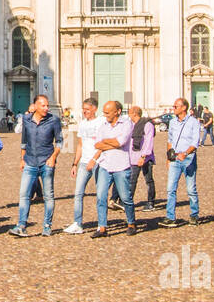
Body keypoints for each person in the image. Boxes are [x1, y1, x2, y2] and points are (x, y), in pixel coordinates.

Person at [12, 94, 62, 237]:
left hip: (46, 162)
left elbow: (59, 142)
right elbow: (24, 141)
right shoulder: (26, 120)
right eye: (43, 105)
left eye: (47, 105)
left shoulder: (54, 120)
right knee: (24, 195)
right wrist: (22, 159)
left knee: (48, 196)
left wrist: (53, 158)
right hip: (30, 161)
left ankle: (47, 226)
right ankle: (21, 225)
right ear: (35, 106)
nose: (46, 108)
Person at [87, 100, 137, 237]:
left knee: (126, 197)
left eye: (107, 112)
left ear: (118, 112)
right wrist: (113, 142)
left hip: (121, 165)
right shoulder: (103, 125)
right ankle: (102, 227)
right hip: (104, 165)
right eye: (104, 112)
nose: (105, 115)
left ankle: (131, 223)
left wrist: (108, 142)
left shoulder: (126, 124)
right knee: (101, 197)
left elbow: (121, 142)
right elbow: (97, 144)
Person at [161, 98, 203, 228]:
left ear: (183, 108)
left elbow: (195, 142)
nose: (173, 108)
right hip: (175, 159)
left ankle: (194, 215)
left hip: (188, 159)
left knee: (191, 189)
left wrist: (185, 153)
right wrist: (169, 157)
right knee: (170, 189)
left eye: (175, 106)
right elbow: (170, 140)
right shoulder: (173, 122)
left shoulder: (193, 122)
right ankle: (170, 217)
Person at [64, 98, 101, 235]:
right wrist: (75, 163)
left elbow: (103, 144)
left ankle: (101, 224)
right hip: (84, 163)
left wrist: (94, 159)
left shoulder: (101, 122)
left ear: (95, 109)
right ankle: (77, 223)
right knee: (78, 193)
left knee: (100, 195)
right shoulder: (82, 124)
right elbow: (80, 145)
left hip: (98, 162)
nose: (84, 111)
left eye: (87, 109)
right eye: (83, 109)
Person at [128, 105, 158, 211]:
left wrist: (143, 156)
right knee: (132, 180)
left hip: (145, 158)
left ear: (135, 113)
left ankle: (151, 202)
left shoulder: (147, 125)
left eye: (129, 113)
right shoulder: (131, 125)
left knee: (149, 180)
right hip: (133, 157)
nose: (128, 115)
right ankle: (128, 201)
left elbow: (149, 141)